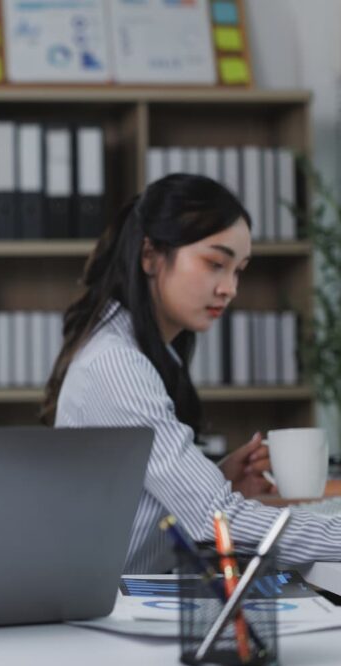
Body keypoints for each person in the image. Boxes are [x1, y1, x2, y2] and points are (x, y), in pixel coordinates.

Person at [42, 173, 341, 573]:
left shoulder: (145, 353)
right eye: (215, 264)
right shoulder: (117, 365)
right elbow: (215, 520)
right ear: (149, 255)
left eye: (239, 270)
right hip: (110, 614)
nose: (229, 288)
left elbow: (145, 512)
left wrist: (219, 478)